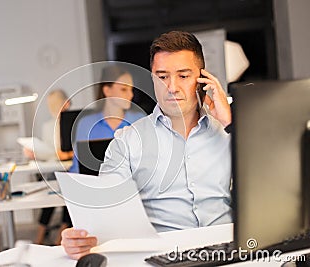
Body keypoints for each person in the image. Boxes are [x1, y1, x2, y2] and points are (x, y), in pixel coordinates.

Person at [61, 30, 233, 260]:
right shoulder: (127, 142)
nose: (171, 87)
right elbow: (103, 215)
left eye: (183, 76)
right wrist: (81, 238)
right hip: (164, 257)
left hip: (230, 252)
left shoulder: (229, 132)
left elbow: (270, 185)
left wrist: (231, 123)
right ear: (152, 79)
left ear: (202, 80)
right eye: (162, 77)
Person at [67, 64, 146, 174]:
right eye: (124, 89)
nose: (131, 94)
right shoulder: (86, 124)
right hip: (96, 186)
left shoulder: (140, 120)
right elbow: (77, 167)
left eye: (131, 89)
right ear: (107, 91)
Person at [23, 89, 73, 245]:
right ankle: (40, 237)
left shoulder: (74, 121)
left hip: (70, 168)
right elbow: (49, 153)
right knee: (49, 192)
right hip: (55, 168)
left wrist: (67, 154)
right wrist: (35, 153)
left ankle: (60, 238)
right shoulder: (48, 126)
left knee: (69, 195)